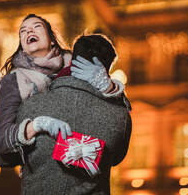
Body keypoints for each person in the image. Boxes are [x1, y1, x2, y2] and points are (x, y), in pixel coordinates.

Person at [0, 14, 125, 166]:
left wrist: (108, 86)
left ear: (51, 39)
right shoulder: (14, 82)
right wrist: (37, 126)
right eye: (23, 31)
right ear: (22, 45)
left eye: (36, 27)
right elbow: (1, 144)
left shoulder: (77, 63)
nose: (29, 31)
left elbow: (118, 119)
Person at [11, 34, 132, 194]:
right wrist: (111, 89)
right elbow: (117, 158)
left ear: (72, 61)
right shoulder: (119, 116)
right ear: (106, 70)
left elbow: (3, 157)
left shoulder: (32, 104)